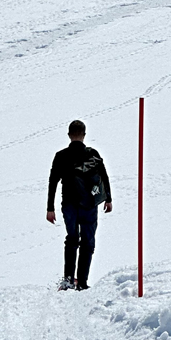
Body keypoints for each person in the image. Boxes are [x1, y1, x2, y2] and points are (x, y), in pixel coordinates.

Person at [46, 119, 112, 290]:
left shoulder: (61, 156)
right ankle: (82, 282)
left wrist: (50, 208)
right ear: (84, 135)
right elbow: (104, 177)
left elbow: (53, 182)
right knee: (88, 241)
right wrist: (108, 199)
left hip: (69, 205)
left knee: (72, 239)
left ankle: (68, 280)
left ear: (69, 135)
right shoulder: (92, 154)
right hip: (89, 205)